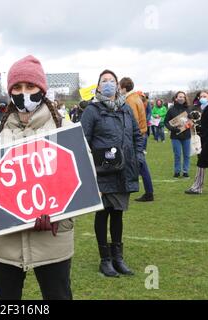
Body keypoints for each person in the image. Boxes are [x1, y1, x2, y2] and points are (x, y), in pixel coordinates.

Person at [0, 55, 74, 300]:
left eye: (30, 86)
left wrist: (60, 213)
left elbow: (84, 185)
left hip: (52, 240)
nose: (23, 92)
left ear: (42, 90)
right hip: (4, 244)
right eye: (17, 87)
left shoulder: (65, 130)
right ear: (10, 91)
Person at [81, 70, 144, 278]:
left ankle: (118, 258)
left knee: (118, 213)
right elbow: (83, 140)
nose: (108, 84)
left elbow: (136, 134)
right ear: (98, 87)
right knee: (103, 212)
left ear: (117, 86)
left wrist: (137, 156)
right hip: (102, 171)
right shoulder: (92, 110)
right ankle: (105, 260)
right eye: (104, 81)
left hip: (123, 169)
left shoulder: (126, 108)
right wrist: (91, 169)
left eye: (112, 81)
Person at [119, 78, 154, 202]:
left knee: (140, 165)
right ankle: (148, 191)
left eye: (119, 86)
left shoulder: (130, 100)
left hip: (137, 136)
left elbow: (131, 121)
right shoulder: (136, 98)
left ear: (123, 87)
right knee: (140, 164)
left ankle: (149, 192)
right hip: (141, 134)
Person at [165, 91, 192, 178]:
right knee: (177, 154)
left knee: (187, 155)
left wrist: (191, 122)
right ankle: (177, 171)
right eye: (179, 97)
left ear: (185, 99)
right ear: (176, 98)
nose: (181, 98)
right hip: (175, 136)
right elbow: (166, 122)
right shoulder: (171, 110)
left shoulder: (188, 109)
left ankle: (185, 171)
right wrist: (173, 129)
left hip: (187, 135)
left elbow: (191, 121)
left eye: (183, 97)